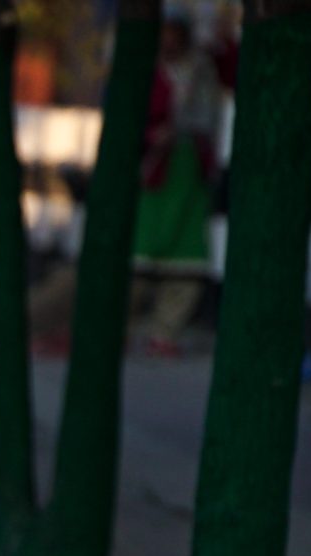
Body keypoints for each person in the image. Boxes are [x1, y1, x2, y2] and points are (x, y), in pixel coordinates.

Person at [131, 12, 222, 353]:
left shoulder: (201, 69)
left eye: (174, 33)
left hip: (188, 166)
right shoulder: (146, 67)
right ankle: (123, 325)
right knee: (139, 251)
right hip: (153, 168)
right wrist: (150, 136)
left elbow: (210, 111)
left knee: (185, 256)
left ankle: (165, 331)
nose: (168, 40)